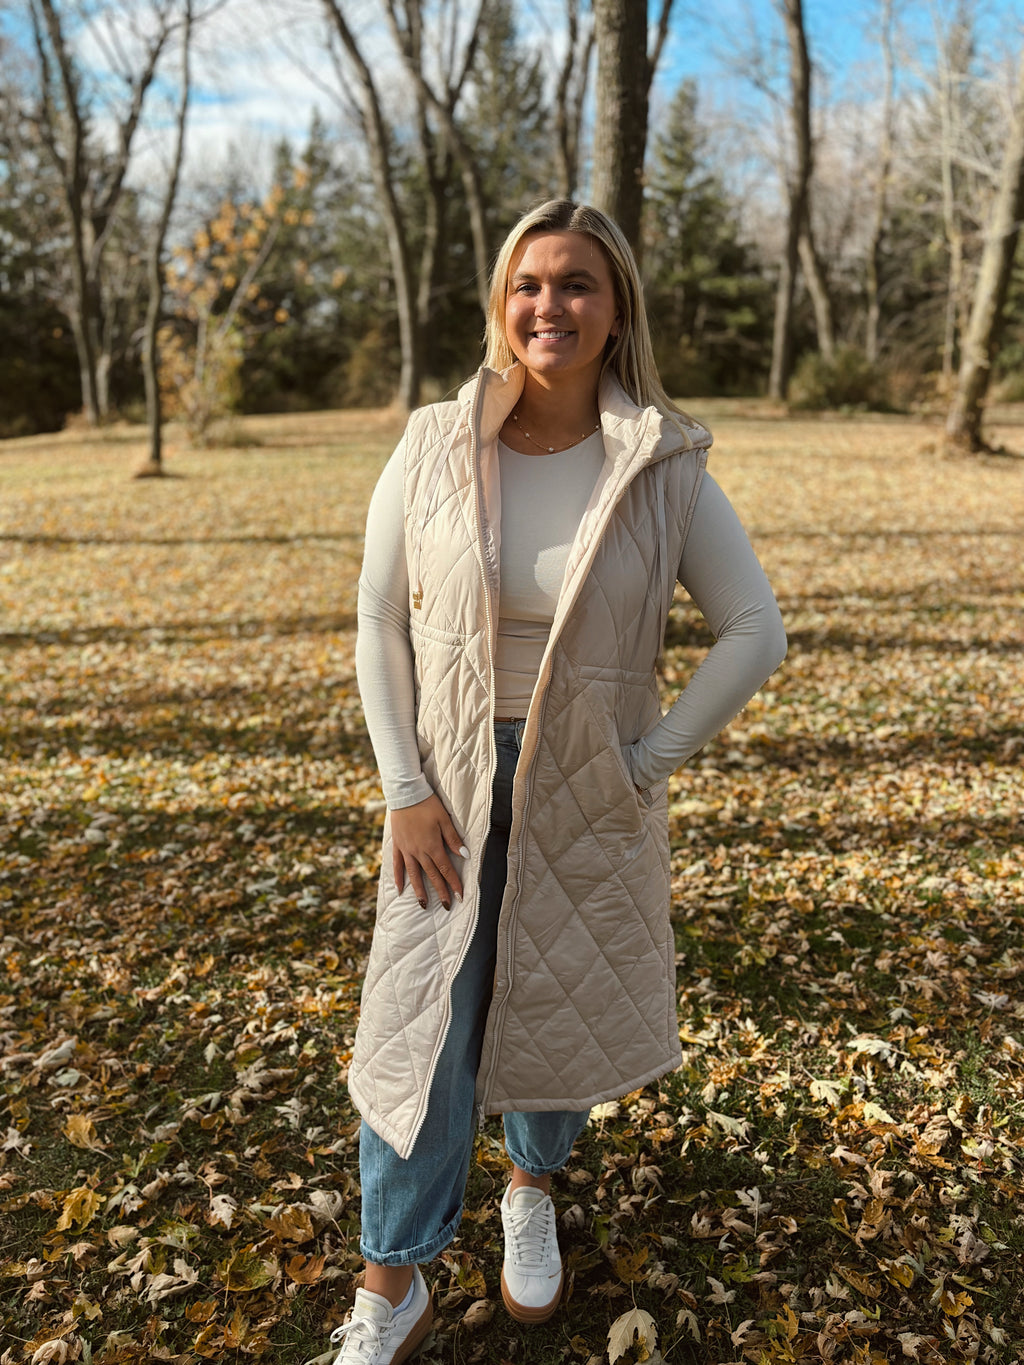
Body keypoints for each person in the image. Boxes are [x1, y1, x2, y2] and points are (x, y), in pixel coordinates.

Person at [328, 199, 787, 1365]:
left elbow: (752, 629)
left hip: (584, 777)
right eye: (529, 283)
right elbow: (379, 618)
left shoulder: (663, 460)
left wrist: (644, 764)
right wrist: (402, 786)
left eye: (578, 283)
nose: (551, 306)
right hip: (443, 782)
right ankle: (393, 1280)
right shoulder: (435, 439)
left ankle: (531, 1186)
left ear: (617, 305)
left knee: (554, 988)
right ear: (501, 300)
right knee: (418, 1026)